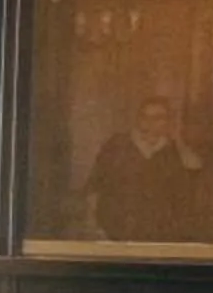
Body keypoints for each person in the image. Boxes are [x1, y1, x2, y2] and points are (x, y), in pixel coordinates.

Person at [85, 96, 204, 240]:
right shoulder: (117, 145)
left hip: (160, 234)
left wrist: (175, 139)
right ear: (138, 119)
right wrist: (95, 225)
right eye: (145, 116)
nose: (150, 122)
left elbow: (195, 168)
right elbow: (94, 186)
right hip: (117, 230)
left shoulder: (174, 150)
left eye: (158, 117)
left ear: (168, 122)